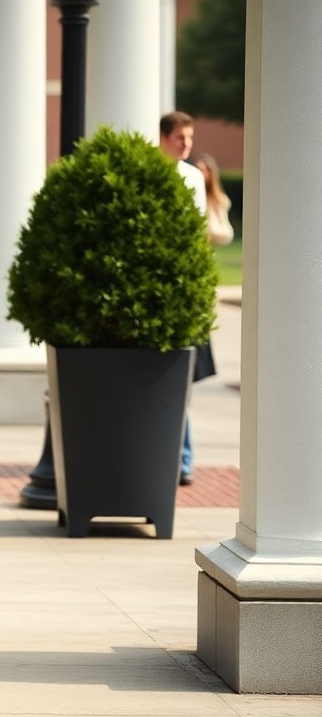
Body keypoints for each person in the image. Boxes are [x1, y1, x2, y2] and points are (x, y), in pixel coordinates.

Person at [159, 111, 211, 486]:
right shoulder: (150, 172)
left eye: (189, 138)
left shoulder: (193, 178)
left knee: (181, 377)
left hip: (183, 283)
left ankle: (183, 460)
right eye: (180, 138)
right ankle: (174, 457)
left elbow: (197, 231)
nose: (186, 144)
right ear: (164, 138)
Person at [192, 152, 235, 246]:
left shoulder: (218, 198)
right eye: (197, 169)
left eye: (202, 170)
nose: (199, 173)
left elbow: (225, 232)